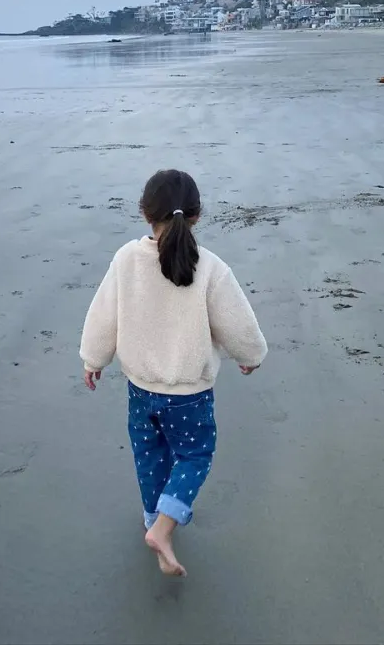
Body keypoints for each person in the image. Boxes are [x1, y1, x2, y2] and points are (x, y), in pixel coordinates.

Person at [79, 169, 267, 578]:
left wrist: (94, 358)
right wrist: (249, 354)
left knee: (150, 455)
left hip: (140, 389)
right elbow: (237, 323)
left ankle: (153, 520)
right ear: (196, 216)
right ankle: (165, 526)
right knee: (194, 455)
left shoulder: (126, 259)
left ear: (145, 212)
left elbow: (104, 315)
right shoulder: (210, 267)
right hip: (190, 393)